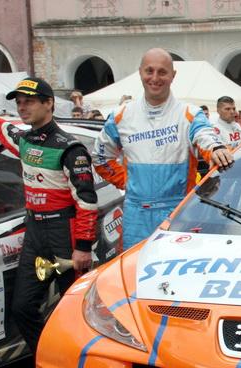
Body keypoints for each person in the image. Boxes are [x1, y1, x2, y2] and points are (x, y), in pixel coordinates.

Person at [0, 77, 98, 354]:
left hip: (64, 233)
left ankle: (82, 364)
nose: (23, 107)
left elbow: (86, 201)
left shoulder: (70, 148)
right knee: (23, 307)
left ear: (49, 104)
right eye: (19, 103)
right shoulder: (24, 140)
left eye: (30, 102)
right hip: (35, 234)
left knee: (75, 309)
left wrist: (83, 246)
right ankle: (50, 360)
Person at [93, 48, 232, 250]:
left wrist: (216, 148)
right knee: (134, 267)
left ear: (173, 75)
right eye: (149, 71)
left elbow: (204, 135)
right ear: (140, 72)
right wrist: (127, 182)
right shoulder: (121, 115)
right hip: (136, 215)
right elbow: (100, 157)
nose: (155, 78)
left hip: (178, 212)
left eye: (162, 72)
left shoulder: (189, 113)